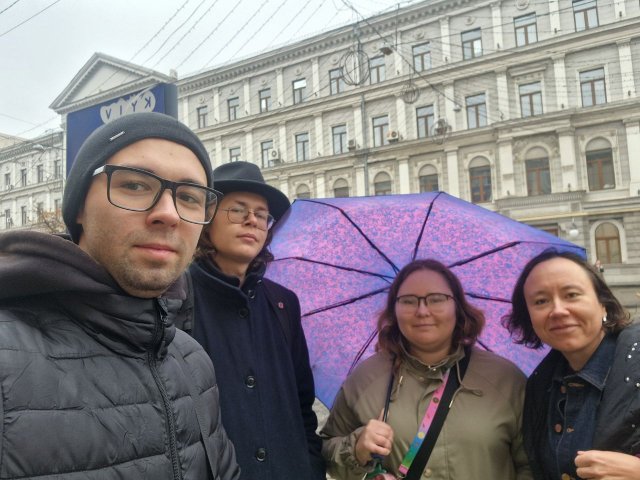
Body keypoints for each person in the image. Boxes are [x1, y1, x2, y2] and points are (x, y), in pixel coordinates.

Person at [0, 112, 240, 479]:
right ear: (79, 207)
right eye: (135, 185)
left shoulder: (192, 360)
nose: (169, 214)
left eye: (190, 197)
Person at [321, 259, 531, 480]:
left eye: (436, 299)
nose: (422, 311)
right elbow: (326, 454)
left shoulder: (505, 380)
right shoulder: (365, 378)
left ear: (458, 307)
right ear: (394, 310)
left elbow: (533, 465)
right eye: (408, 301)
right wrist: (357, 449)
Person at [187, 161, 325, 480]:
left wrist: (311, 468)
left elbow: (302, 406)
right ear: (207, 220)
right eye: (238, 210)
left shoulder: (283, 303)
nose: (252, 220)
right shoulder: (176, 299)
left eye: (262, 215)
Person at [503, 249, 640, 480]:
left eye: (572, 295)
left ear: (603, 303)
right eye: (541, 301)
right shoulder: (540, 387)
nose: (557, 310)